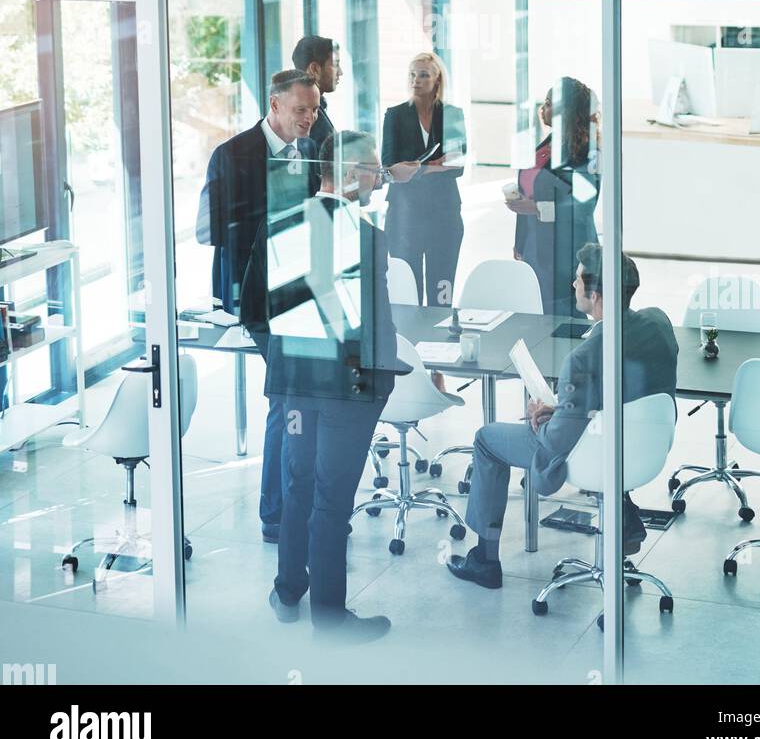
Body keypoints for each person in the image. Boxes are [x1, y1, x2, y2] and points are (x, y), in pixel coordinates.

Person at [446, 246, 679, 590]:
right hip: (644, 446)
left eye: (578, 279)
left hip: (597, 453)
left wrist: (543, 419)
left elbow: (556, 442)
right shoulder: (658, 322)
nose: (572, 284)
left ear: (595, 294)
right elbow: (622, 395)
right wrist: (565, 410)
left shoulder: (583, 357)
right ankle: (624, 517)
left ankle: (484, 561)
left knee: (486, 440)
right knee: (577, 424)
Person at [263, 130, 401, 643]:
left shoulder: (281, 225)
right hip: (347, 392)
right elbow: (377, 327)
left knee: (297, 487)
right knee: (332, 498)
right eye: (371, 172)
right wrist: (381, 387)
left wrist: (286, 373)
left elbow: (259, 313)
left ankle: (287, 591)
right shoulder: (369, 238)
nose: (376, 182)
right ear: (346, 173)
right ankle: (329, 616)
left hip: (297, 387)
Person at [196, 69, 320, 543]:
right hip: (254, 296)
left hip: (297, 290)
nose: (309, 119)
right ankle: (277, 514)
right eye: (300, 110)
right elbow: (210, 232)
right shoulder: (233, 155)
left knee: (301, 396)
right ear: (274, 105)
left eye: (313, 110)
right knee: (288, 396)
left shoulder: (307, 151)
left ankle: (298, 506)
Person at [507, 76, 601, 318]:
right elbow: (531, 191)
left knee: (562, 319)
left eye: (549, 103)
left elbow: (583, 205)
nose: (543, 109)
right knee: (538, 313)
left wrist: (538, 208)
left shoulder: (587, 152)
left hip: (565, 250)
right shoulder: (547, 144)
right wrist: (520, 243)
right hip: (536, 246)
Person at [381, 52, 466, 307]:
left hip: (444, 215)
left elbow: (457, 166)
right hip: (405, 215)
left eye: (423, 75)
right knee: (408, 289)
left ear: (437, 79)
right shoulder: (395, 115)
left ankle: (439, 342)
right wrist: (432, 165)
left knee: (442, 287)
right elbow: (390, 166)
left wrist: (414, 169)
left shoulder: (452, 114)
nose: (415, 80)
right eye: (412, 74)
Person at [292, 35, 342, 155]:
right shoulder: (305, 117)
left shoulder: (316, 108)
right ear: (314, 69)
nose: (340, 72)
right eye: (335, 64)